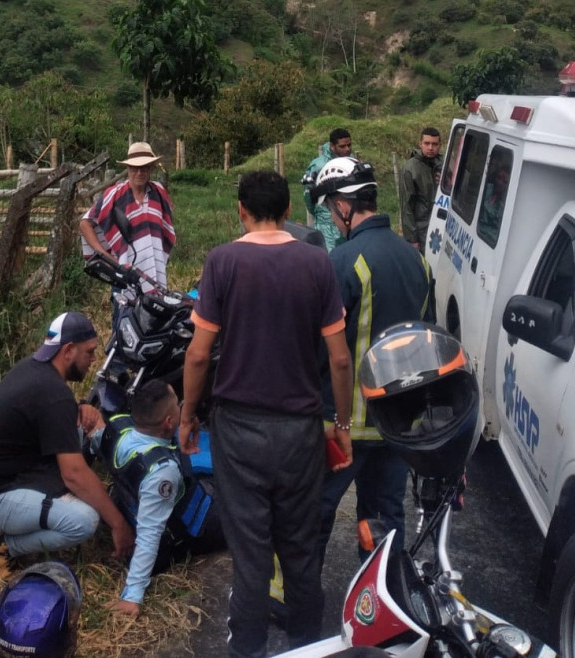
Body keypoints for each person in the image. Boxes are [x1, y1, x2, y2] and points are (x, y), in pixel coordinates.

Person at [180, 170, 354, 658]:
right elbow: (339, 358)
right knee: (299, 548)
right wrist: (340, 426)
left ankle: (248, 648)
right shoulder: (316, 263)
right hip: (299, 431)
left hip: (238, 431)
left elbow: (197, 355)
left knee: (251, 553)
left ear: (240, 209)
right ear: (288, 212)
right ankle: (307, 645)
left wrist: (188, 416)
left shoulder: (223, 261)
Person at [310, 157, 433, 560]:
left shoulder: (344, 261)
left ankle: (296, 601)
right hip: (398, 421)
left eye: (330, 208)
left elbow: (323, 346)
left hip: (347, 424)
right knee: (383, 520)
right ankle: (380, 608)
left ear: (344, 206)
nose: (331, 216)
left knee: (315, 512)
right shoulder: (417, 259)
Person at [0, 311, 135, 582]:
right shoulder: (53, 394)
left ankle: (42, 511)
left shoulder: (34, 370)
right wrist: (118, 523)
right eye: (89, 352)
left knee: (77, 430)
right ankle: (0, 547)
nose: (93, 360)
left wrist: (78, 410)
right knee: (85, 521)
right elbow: (73, 474)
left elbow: (50, 414)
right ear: (68, 351)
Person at [105, 378, 184, 617]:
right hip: (165, 530)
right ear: (169, 422)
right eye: (178, 405)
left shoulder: (118, 428)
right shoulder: (162, 471)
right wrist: (132, 595)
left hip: (126, 503)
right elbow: (150, 533)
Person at [79, 141, 176, 328]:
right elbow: (85, 223)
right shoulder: (114, 195)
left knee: (152, 326)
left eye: (144, 167)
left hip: (155, 274)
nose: (139, 172)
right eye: (135, 168)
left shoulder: (159, 193)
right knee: (124, 327)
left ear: (150, 168)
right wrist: (104, 255)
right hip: (125, 276)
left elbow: (166, 229)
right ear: (128, 168)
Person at [302, 128, 353, 252]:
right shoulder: (318, 166)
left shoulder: (352, 162)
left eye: (349, 145)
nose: (347, 149)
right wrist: (320, 213)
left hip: (349, 222)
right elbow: (308, 195)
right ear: (332, 146)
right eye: (342, 146)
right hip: (326, 224)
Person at [398, 126, 443, 253]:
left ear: (440, 145)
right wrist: (412, 239)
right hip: (421, 228)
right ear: (420, 144)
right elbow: (407, 206)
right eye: (427, 143)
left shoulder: (444, 164)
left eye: (434, 144)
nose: (430, 148)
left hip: (441, 225)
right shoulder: (410, 168)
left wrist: (447, 182)